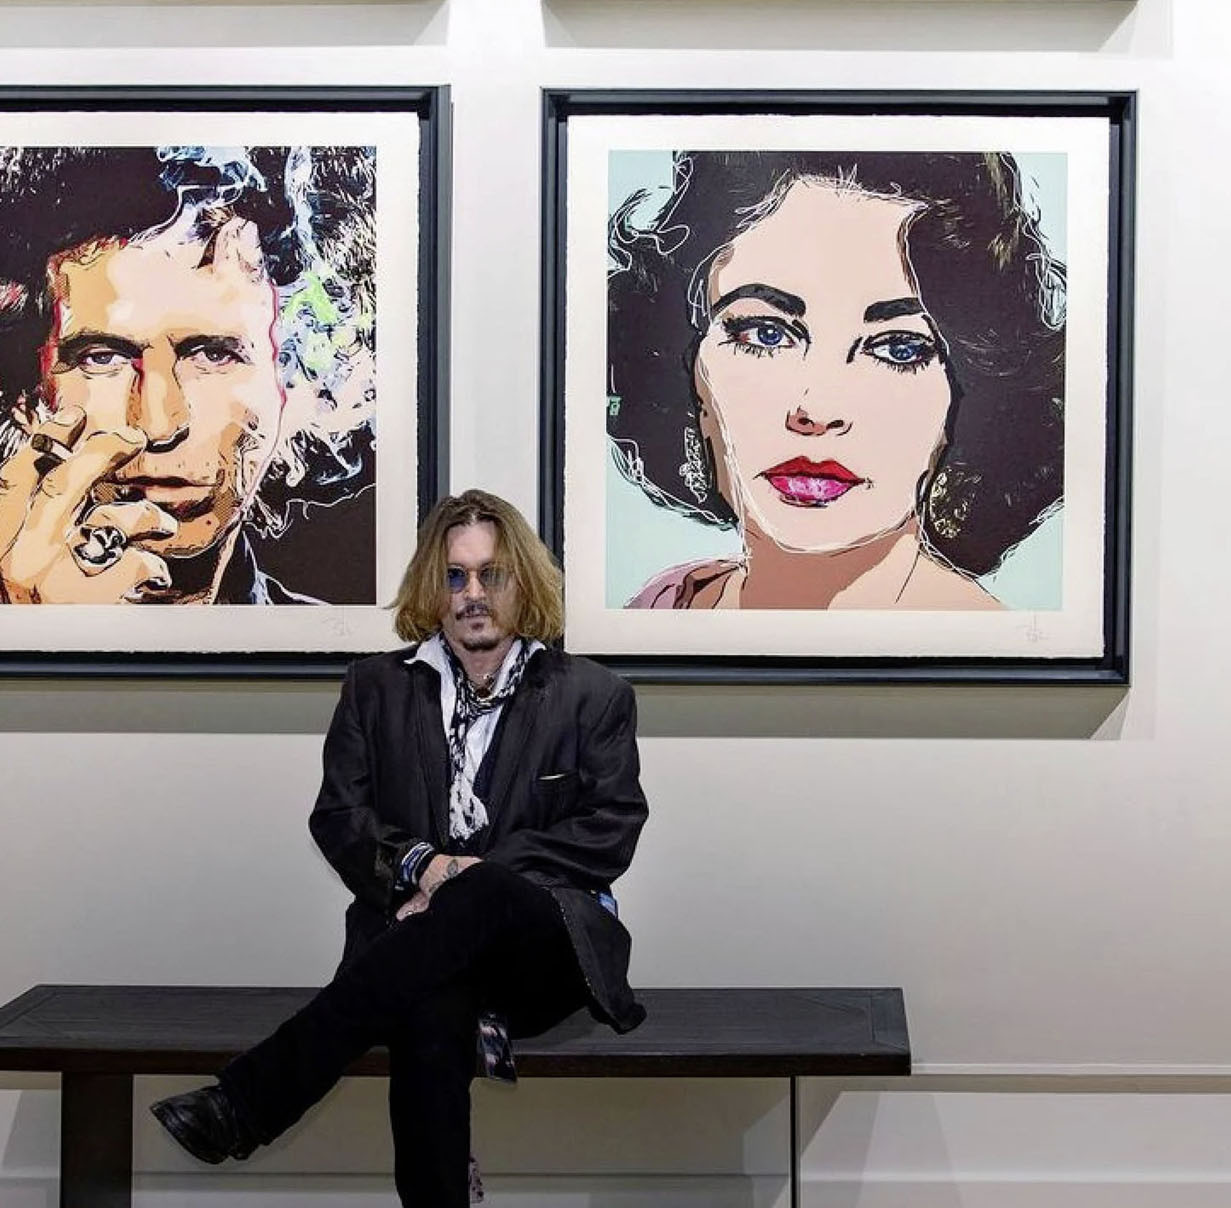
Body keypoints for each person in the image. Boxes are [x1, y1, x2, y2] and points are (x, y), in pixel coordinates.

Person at [150, 489, 648, 1205]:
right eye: (454, 576)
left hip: (542, 954)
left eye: (491, 574)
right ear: (430, 586)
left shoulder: (592, 695)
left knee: (484, 892)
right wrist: (423, 866)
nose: (472, 594)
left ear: (522, 582)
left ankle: (248, 1102)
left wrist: (463, 878)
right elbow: (339, 817)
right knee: (429, 1014)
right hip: (410, 948)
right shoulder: (374, 688)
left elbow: (610, 827)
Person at [0, 145, 378, 605]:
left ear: (294, 382)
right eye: (102, 359)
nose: (159, 425)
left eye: (214, 355)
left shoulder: (333, 641)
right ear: (26, 397)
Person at [608, 152, 1066, 610]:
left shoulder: (995, 643)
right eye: (766, 334)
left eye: (898, 349)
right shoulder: (661, 607)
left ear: (970, 396)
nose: (817, 411)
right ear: (689, 366)